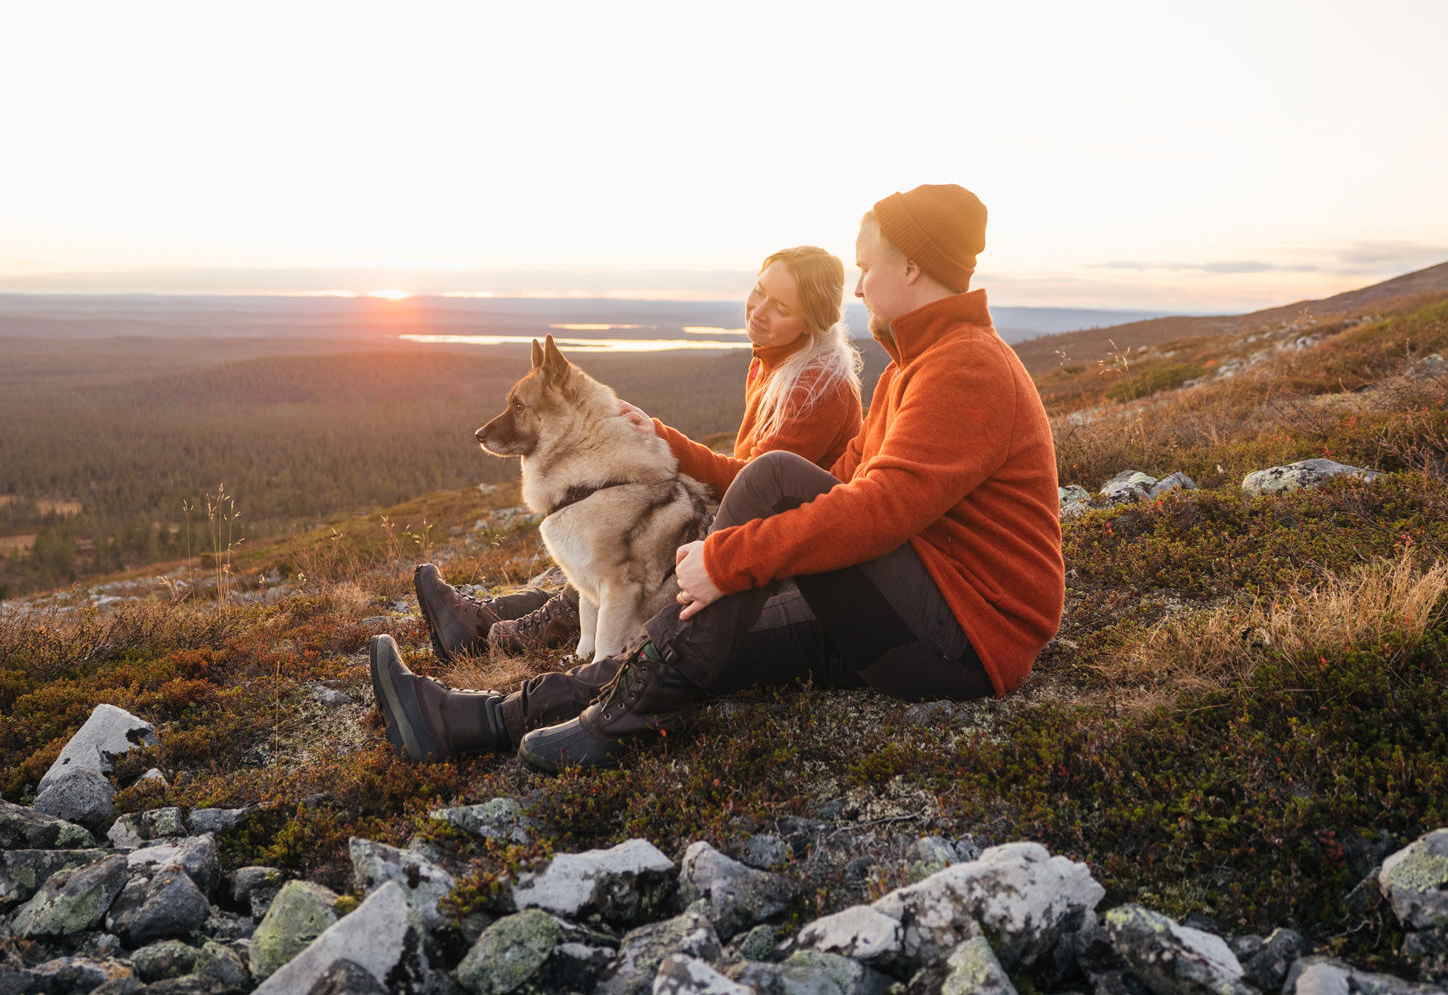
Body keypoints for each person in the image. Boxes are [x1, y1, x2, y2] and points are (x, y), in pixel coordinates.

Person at [370, 183, 1065, 772]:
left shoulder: (965, 366)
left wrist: (726, 560)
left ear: (912, 267)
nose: (859, 284)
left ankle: (617, 716)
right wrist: (726, 566)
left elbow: (879, 509)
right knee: (686, 645)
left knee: (771, 480)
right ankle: (475, 719)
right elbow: (858, 484)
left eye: (867, 267)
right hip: (910, 604)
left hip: (962, 641)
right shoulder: (919, 363)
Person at [412, 245, 865, 661]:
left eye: (780, 307)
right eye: (760, 291)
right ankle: (485, 620)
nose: (759, 311)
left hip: (781, 546)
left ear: (813, 323)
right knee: (609, 546)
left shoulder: (815, 387)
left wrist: (663, 443)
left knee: (621, 553)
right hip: (755, 526)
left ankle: (494, 630)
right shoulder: (778, 361)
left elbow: (759, 483)